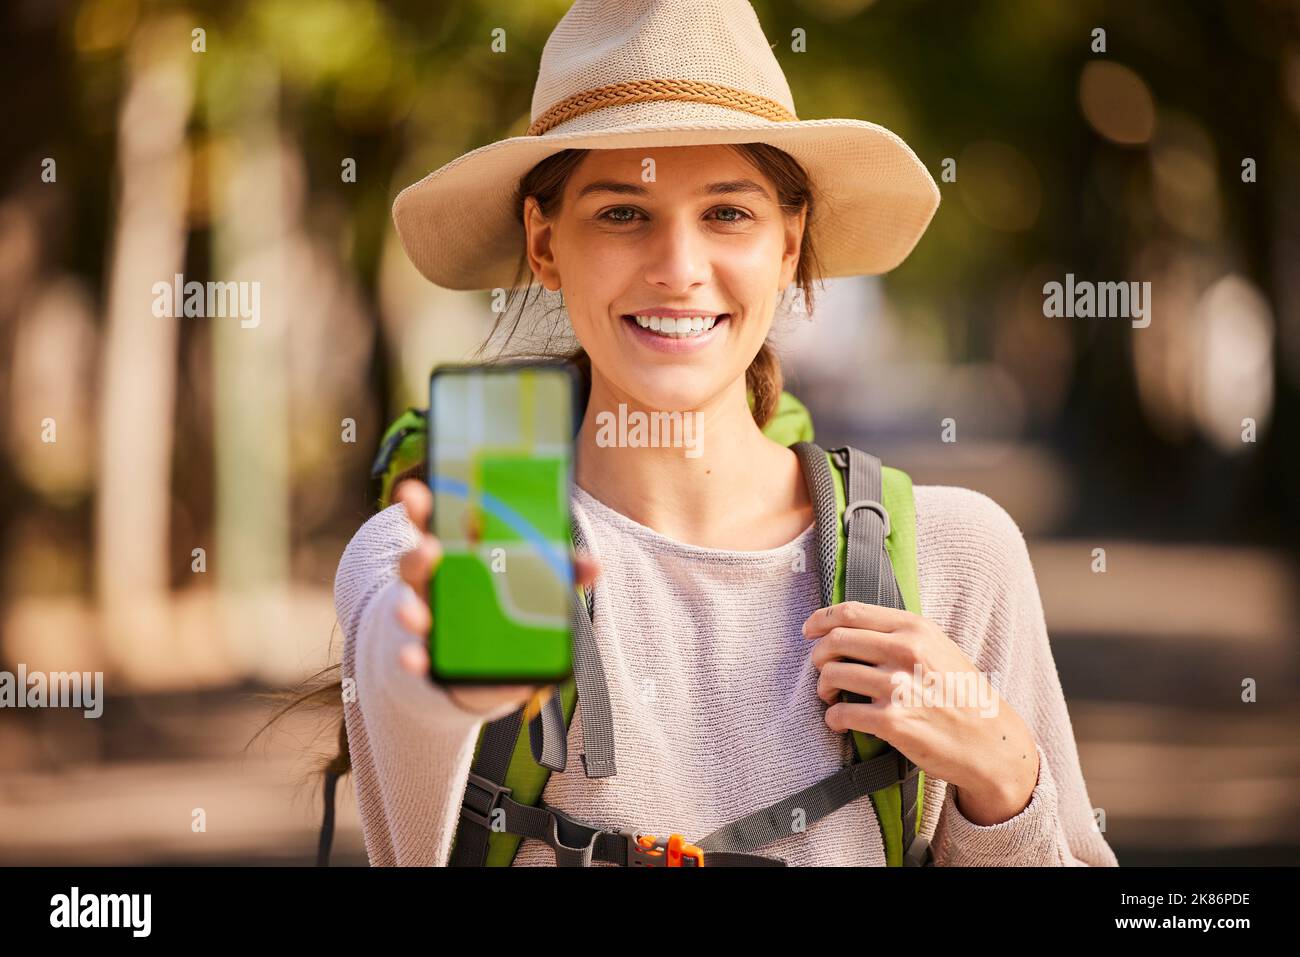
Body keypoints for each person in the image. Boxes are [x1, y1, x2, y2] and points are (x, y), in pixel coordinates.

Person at [328, 0, 1119, 867]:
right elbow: (405, 691)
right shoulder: (427, 554)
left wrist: (1004, 775)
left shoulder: (958, 557)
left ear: (790, 245)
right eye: (622, 213)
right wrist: (449, 679)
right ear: (544, 243)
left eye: (729, 214)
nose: (678, 267)